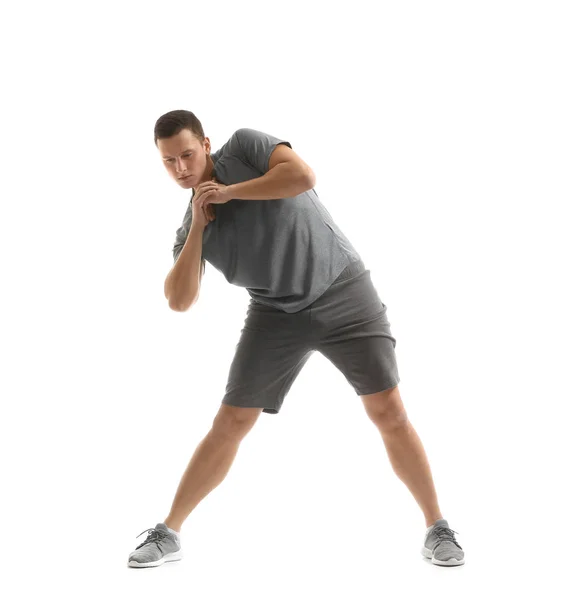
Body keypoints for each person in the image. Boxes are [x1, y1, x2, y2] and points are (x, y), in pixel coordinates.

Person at [127, 110, 465, 569]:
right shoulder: (191, 225)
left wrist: (229, 192)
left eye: (187, 154)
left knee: (389, 411)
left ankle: (437, 527)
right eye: (169, 161)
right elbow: (179, 299)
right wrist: (201, 223)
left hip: (344, 292)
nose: (182, 168)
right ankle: (168, 532)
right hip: (275, 315)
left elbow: (301, 176)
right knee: (231, 422)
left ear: (206, 144)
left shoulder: (246, 147)